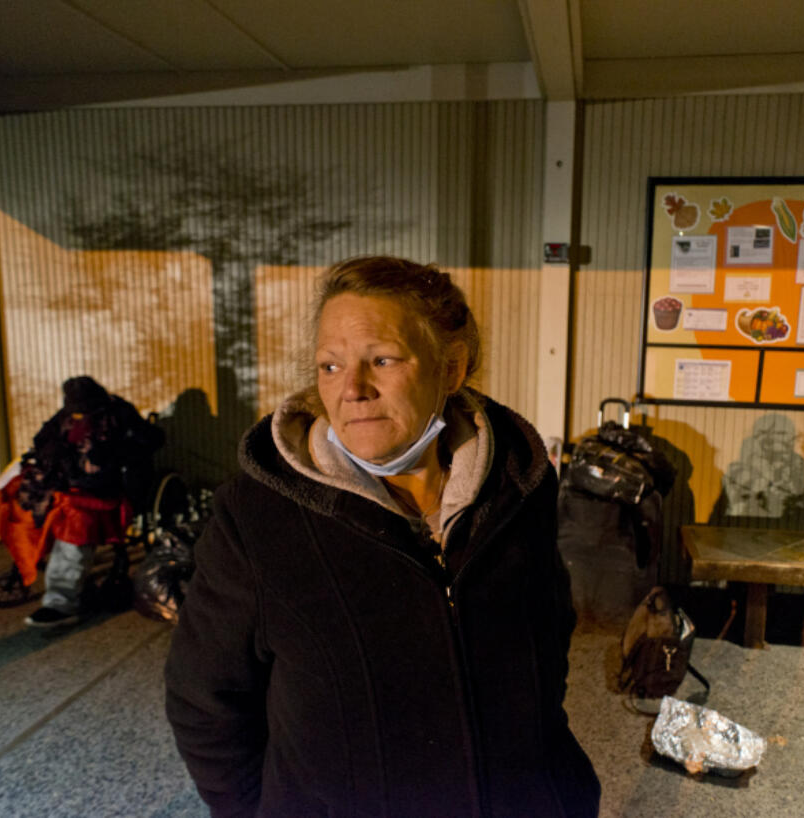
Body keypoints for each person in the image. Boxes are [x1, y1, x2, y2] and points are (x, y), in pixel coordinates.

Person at [164, 256, 600, 817]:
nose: (353, 389)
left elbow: (547, 641)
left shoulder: (519, 487)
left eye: (383, 359)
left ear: (450, 369)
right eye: (329, 366)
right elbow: (205, 703)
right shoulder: (257, 518)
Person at [22, 376, 163, 628]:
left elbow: (151, 441)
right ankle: (55, 578)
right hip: (69, 486)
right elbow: (43, 438)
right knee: (20, 505)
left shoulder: (118, 412)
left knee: (74, 530)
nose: (79, 417)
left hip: (105, 492)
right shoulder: (67, 416)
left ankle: (61, 602)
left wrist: (112, 452)